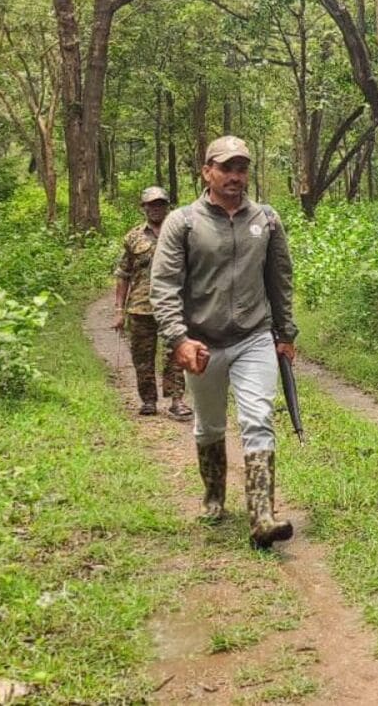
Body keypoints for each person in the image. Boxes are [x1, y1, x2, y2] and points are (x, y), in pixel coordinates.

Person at [151, 136, 299, 549]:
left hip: (253, 337)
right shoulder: (183, 222)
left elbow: (279, 280)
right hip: (202, 343)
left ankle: (262, 516)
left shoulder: (266, 220)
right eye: (226, 168)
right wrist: (178, 338)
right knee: (210, 424)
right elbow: (164, 285)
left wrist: (285, 333)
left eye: (242, 168)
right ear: (207, 172)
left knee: (258, 418)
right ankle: (214, 495)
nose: (235, 176)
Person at [113, 187, 190, 421]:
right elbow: (123, 274)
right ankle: (148, 400)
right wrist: (119, 310)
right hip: (140, 307)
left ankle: (176, 400)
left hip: (173, 306)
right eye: (151, 204)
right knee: (142, 357)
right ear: (143, 207)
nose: (156, 208)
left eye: (160, 204)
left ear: (168, 206)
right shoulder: (133, 237)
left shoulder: (181, 233)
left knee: (176, 354)